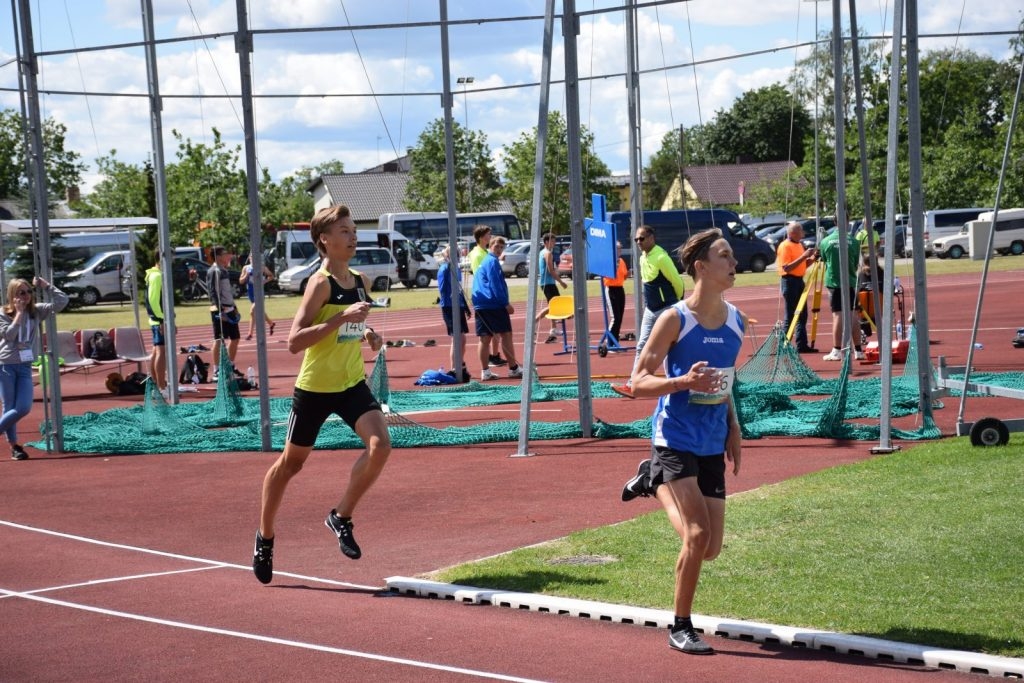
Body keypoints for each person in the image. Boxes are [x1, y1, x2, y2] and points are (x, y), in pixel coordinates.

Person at [619, 228, 745, 655]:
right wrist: (682, 381)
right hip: (673, 436)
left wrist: (733, 426)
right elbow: (637, 381)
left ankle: (652, 483)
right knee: (694, 534)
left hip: (712, 437)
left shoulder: (737, 319)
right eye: (724, 255)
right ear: (701, 267)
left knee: (710, 549)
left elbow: (726, 381)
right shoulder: (674, 319)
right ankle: (680, 626)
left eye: (731, 255)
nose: (733, 262)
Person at [253, 204, 390, 584]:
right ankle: (265, 537)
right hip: (314, 389)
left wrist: (368, 335)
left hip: (350, 384)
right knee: (289, 466)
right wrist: (342, 319)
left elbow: (354, 327)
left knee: (380, 446)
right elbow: (294, 342)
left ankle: (341, 516)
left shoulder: (359, 280)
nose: (352, 236)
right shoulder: (320, 283)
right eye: (344, 231)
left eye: (352, 229)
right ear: (324, 242)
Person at [0, 277, 69, 460]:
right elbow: (9, 335)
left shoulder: (37, 311)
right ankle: (15, 447)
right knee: (9, 408)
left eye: (29, 291)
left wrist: (45, 285)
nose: (26, 296)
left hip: (25, 366)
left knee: (23, 407)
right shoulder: (3, 313)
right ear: (12, 295)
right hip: (6, 365)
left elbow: (62, 301)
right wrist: (19, 313)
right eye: (21, 292)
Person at [612, 225, 685, 398]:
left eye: (642, 238)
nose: (638, 242)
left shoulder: (661, 257)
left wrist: (677, 303)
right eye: (636, 239)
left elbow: (676, 281)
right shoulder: (643, 257)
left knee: (673, 348)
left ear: (652, 238)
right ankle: (633, 385)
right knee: (641, 346)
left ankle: (681, 383)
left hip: (666, 308)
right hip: (650, 310)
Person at [472, 236, 523, 381]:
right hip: (493, 304)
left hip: (481, 303)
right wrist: (505, 303)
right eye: (497, 246)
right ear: (490, 246)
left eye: (501, 247)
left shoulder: (485, 261)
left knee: (485, 338)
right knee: (506, 334)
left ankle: (485, 372)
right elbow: (495, 284)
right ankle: (513, 368)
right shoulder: (492, 261)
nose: (499, 249)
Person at [818, 227, 865, 361]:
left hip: (835, 282)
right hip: (850, 281)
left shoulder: (826, 241)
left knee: (838, 315)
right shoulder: (855, 242)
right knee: (853, 314)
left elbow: (824, 259)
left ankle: (837, 350)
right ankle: (858, 350)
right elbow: (856, 263)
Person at [776, 221, 817, 353]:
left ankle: (802, 344)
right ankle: (784, 345)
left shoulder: (799, 245)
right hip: (789, 281)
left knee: (802, 315)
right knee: (791, 314)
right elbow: (787, 268)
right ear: (793, 233)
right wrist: (804, 256)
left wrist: (813, 258)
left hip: (799, 280)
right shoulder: (785, 246)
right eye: (801, 231)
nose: (803, 233)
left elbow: (802, 265)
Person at [468, 224, 506, 367]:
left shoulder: (485, 252)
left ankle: (494, 355)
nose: (490, 237)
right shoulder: (478, 254)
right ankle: (491, 359)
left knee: (496, 331)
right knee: (488, 334)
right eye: (488, 235)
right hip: (487, 298)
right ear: (482, 237)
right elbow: (481, 276)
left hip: (490, 297)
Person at [437, 245, 472, 382]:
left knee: (462, 339)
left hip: (459, 305)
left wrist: (465, 306)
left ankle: (460, 363)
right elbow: (444, 289)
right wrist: (452, 300)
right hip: (449, 306)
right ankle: (454, 367)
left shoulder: (457, 269)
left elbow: (458, 288)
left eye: (457, 253)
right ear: (446, 255)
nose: (455, 255)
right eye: (452, 253)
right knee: (457, 338)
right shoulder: (445, 269)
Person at [207, 246, 241, 377]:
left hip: (230, 308)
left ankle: (229, 366)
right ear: (219, 256)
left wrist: (234, 307)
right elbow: (213, 291)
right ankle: (216, 370)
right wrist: (220, 310)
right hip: (220, 310)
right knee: (219, 339)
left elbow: (227, 293)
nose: (229, 256)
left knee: (235, 338)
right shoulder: (214, 271)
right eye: (227, 253)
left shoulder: (224, 271)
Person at [534, 232, 568, 342]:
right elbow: (551, 271)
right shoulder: (548, 253)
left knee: (553, 305)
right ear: (546, 242)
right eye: (552, 241)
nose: (554, 243)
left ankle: (553, 329)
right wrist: (561, 282)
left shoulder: (543, 252)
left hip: (547, 283)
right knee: (554, 306)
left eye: (554, 241)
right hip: (548, 283)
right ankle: (533, 322)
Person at [143, 252, 167, 394]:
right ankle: (161, 387)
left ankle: (157, 385)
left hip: (158, 319)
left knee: (157, 350)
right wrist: (161, 320)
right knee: (161, 351)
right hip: (158, 320)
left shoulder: (155, 274)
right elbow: (153, 300)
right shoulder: (157, 276)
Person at [239, 254, 276, 341]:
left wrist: (264, 281)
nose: (253, 259)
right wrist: (246, 275)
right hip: (251, 291)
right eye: (251, 257)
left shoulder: (262, 267)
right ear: (249, 258)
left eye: (254, 257)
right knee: (258, 311)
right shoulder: (246, 268)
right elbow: (240, 281)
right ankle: (271, 323)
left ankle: (250, 334)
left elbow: (271, 276)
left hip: (259, 292)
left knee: (252, 311)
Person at [603, 241, 629, 343]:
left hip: (620, 289)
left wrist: (628, 274)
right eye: (617, 248)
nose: (619, 250)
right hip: (611, 289)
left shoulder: (622, 261)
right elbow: (607, 275)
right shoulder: (608, 260)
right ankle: (609, 341)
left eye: (620, 248)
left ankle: (615, 339)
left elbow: (624, 276)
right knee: (615, 317)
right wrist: (615, 267)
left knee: (620, 317)